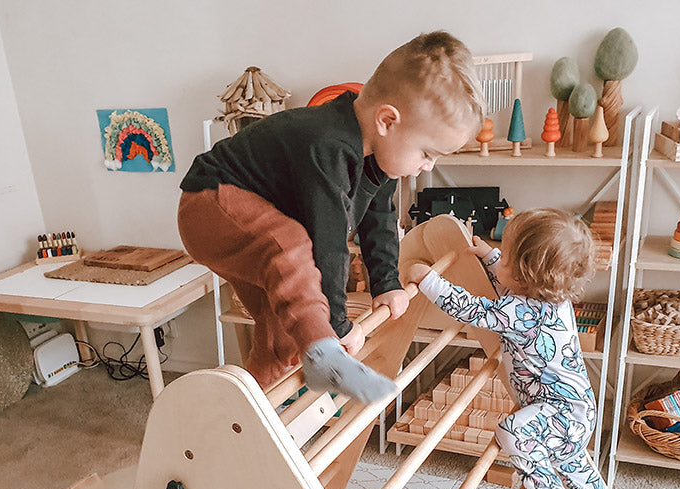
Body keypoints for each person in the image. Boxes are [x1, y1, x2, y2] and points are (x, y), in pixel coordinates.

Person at [177, 31, 484, 403]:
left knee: (285, 331)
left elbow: (381, 219)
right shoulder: (328, 144)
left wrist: (385, 283)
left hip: (248, 215)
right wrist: (336, 326)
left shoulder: (379, 155)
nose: (426, 167)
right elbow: (329, 240)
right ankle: (326, 356)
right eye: (426, 153)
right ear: (387, 120)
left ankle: (253, 414)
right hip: (211, 205)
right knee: (290, 245)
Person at [407, 208, 627, 489]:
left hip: (560, 409)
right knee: (574, 465)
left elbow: (471, 308)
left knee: (510, 432)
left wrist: (427, 280)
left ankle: (544, 486)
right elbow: (511, 283)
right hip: (576, 407)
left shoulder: (521, 312)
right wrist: (493, 257)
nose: (500, 259)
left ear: (526, 275)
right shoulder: (552, 297)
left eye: (507, 256)